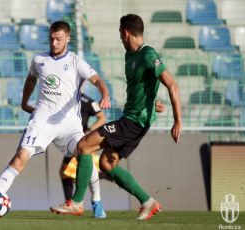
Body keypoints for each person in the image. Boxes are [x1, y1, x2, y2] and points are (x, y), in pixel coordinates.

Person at [50, 14, 182, 220]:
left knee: (84, 145)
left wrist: (177, 120)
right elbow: (145, 85)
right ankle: (148, 202)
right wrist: (152, 103)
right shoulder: (130, 55)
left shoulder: (148, 54)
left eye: (121, 34)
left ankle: (76, 203)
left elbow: (172, 84)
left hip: (132, 122)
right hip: (134, 120)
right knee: (107, 164)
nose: (120, 38)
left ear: (126, 32)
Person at [0, 20, 111, 217]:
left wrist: (105, 95)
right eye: (51, 39)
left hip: (69, 124)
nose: (54, 43)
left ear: (67, 39)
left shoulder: (75, 62)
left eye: (58, 39)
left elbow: (97, 80)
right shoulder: (39, 60)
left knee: (85, 155)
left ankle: (96, 201)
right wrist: (24, 102)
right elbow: (31, 79)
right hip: (42, 121)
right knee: (21, 155)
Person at [59, 92, 107, 218]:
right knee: (66, 173)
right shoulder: (65, 96)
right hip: (70, 138)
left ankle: (77, 203)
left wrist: (90, 132)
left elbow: (102, 117)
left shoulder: (89, 101)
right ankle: (72, 203)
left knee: (82, 170)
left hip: (81, 140)